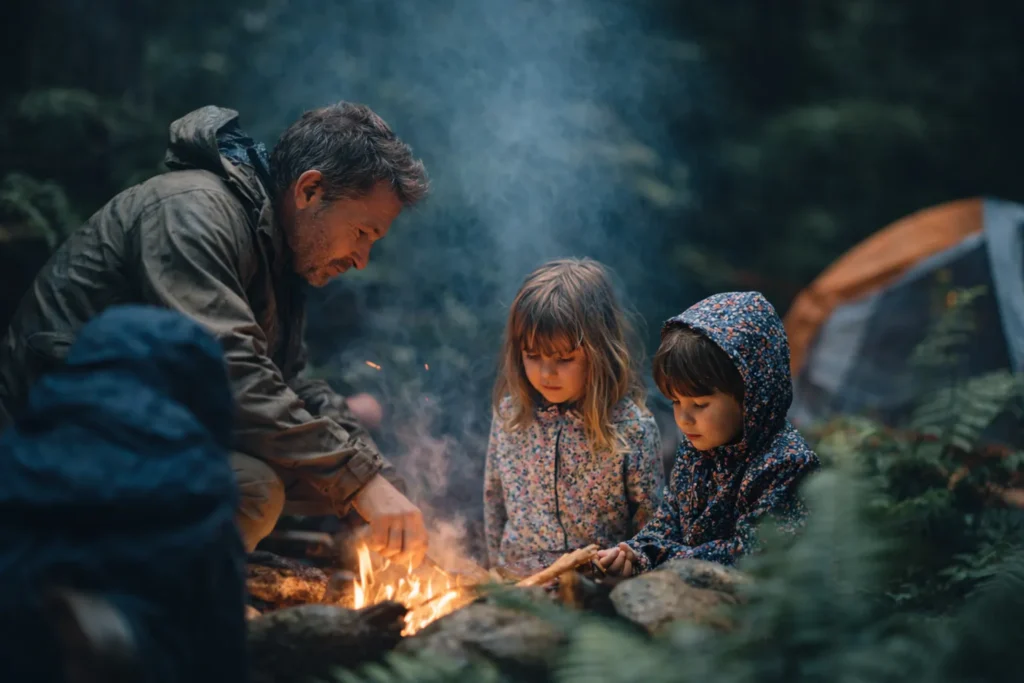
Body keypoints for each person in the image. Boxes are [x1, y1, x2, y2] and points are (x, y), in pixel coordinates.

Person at [0, 103, 429, 565]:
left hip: (144, 429)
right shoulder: (192, 211)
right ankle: (131, 609)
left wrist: (379, 478)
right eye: (362, 232)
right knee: (253, 489)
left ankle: (192, 563)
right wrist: (359, 481)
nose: (362, 258)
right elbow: (232, 372)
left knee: (332, 487)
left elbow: (289, 387)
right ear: (310, 190)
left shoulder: (276, 255)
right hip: (52, 436)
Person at [0, 305, 247, 683]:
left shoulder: (19, 447)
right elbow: (222, 639)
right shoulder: (201, 476)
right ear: (200, 386)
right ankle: (113, 640)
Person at [598, 291, 820, 576]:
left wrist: (659, 557)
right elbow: (668, 522)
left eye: (700, 404)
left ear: (751, 394)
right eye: (675, 402)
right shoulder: (696, 451)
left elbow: (749, 555)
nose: (684, 419)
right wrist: (634, 552)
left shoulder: (786, 465)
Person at [484, 258, 663, 573]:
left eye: (564, 359)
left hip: (594, 590)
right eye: (532, 356)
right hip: (518, 585)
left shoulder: (630, 426)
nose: (546, 372)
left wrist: (635, 563)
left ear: (599, 352)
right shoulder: (511, 415)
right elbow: (493, 500)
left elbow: (652, 519)